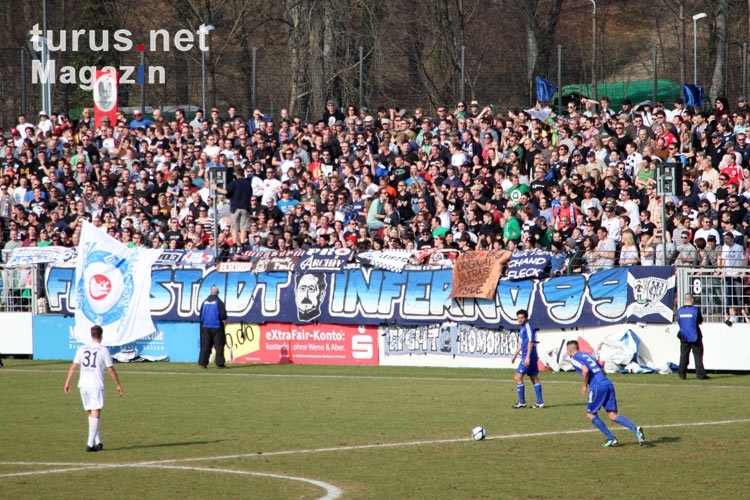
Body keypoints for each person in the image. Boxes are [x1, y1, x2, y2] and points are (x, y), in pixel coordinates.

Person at [566, 340, 645, 447]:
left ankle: (612, 438)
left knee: (591, 414)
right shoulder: (588, 355)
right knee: (612, 415)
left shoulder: (574, 358)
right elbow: (603, 370)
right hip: (607, 383)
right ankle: (635, 429)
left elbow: (585, 370)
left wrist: (584, 385)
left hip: (597, 387)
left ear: (570, 350)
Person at [64, 325, 123, 452]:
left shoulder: (82, 348)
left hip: (83, 385)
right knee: (96, 412)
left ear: (91, 335)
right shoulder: (103, 350)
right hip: (95, 385)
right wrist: (118, 384)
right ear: (101, 336)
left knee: (91, 413)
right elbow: (110, 368)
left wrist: (67, 382)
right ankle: (90, 444)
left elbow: (74, 366)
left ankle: (98, 441)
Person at [510, 309, 544, 409]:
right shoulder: (522, 328)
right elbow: (521, 343)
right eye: (518, 318)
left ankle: (522, 402)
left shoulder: (528, 327)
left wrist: (528, 357)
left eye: (522, 318)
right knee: (534, 378)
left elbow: (530, 342)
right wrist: (515, 354)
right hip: (529, 356)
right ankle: (540, 402)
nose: (520, 320)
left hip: (529, 356)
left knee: (517, 377)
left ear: (526, 318)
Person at [676, 293, 708, 380]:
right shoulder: (696, 310)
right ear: (692, 299)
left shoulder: (680, 310)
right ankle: (700, 375)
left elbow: (679, 322)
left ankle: (682, 374)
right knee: (698, 356)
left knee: (683, 356)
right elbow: (700, 321)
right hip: (695, 335)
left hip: (683, 335)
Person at [199, 285, 228, 369]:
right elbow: (223, 315)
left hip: (205, 326)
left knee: (205, 346)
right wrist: (224, 320)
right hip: (216, 326)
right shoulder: (219, 302)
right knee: (219, 345)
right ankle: (220, 363)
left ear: (210, 292)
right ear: (218, 293)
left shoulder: (204, 302)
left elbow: (201, 315)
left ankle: (203, 363)